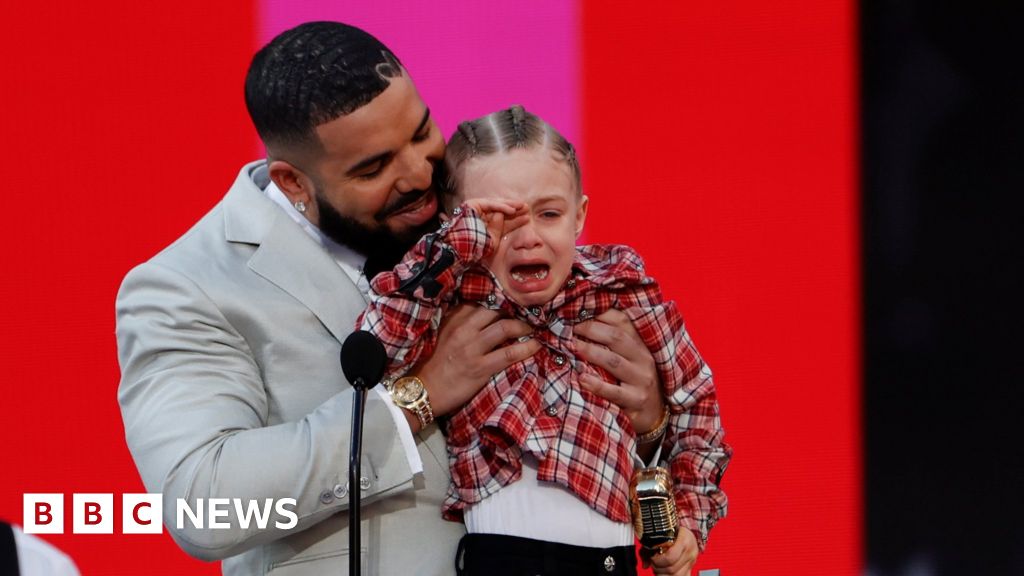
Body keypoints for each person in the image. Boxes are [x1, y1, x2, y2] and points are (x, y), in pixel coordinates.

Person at [116, 21, 666, 576]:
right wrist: (417, 398)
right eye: (373, 167)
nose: (419, 175)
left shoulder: (470, 212)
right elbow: (205, 505)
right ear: (293, 182)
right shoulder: (188, 286)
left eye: (422, 132)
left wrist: (649, 426)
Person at [360, 106, 731, 576]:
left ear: (580, 216)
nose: (528, 237)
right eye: (499, 223)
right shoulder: (447, 306)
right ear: (455, 225)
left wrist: (691, 525)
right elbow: (375, 349)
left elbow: (699, 412)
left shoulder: (622, 295)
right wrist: (450, 251)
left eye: (549, 213)